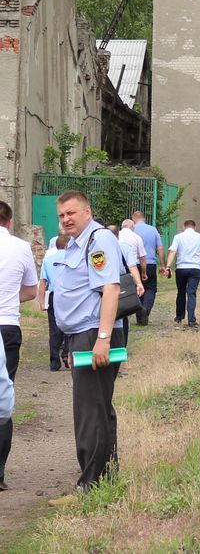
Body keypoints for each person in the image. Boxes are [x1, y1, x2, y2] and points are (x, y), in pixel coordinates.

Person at [53, 190, 124, 493]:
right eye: (61, 215)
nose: (66, 219)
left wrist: (102, 340)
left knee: (89, 412)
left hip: (95, 333)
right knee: (97, 407)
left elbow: (110, 289)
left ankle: (91, 485)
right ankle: (104, 479)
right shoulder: (76, 244)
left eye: (71, 213)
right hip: (83, 335)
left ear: (87, 211)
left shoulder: (98, 241)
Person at [0, 201, 37, 491]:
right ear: (10, 221)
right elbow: (31, 290)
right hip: (7, 325)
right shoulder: (22, 248)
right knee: (3, 397)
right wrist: (11, 299)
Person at [166, 220, 200, 329]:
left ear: (184, 226)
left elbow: (173, 251)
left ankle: (179, 317)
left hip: (181, 268)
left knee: (181, 292)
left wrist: (168, 266)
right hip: (195, 268)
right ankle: (191, 320)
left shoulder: (178, 237)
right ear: (195, 227)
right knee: (191, 293)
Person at [37, 235, 69, 371]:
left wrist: (41, 302)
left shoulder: (48, 260)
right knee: (70, 325)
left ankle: (54, 362)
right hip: (69, 294)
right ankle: (67, 354)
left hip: (54, 295)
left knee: (54, 328)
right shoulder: (71, 258)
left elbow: (43, 282)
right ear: (67, 245)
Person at [130, 211, 163, 324]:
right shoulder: (153, 230)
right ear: (143, 218)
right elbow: (160, 248)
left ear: (133, 219)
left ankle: (140, 316)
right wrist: (162, 265)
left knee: (137, 288)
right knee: (150, 288)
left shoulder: (131, 230)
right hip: (150, 263)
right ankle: (146, 309)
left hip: (134, 264)